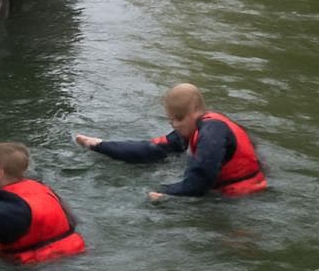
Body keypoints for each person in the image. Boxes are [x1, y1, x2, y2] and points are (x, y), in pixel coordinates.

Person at [74, 83, 269, 200]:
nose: (175, 124)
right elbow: (151, 150)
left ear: (194, 110)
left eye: (179, 118)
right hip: (223, 194)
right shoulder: (191, 128)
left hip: (244, 200)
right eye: (171, 119)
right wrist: (100, 145)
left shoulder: (212, 132)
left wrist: (167, 193)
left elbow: (201, 179)